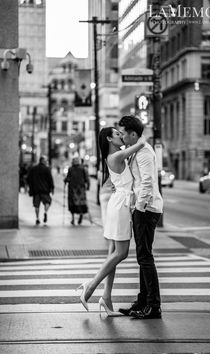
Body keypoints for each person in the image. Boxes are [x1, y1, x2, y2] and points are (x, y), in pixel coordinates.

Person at [77, 127, 145, 315]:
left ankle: (106, 298)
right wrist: (138, 133)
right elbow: (140, 143)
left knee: (113, 255)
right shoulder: (115, 156)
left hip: (118, 204)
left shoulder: (115, 156)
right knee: (121, 254)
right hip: (121, 207)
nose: (121, 136)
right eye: (117, 134)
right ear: (108, 138)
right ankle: (90, 286)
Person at [118, 115, 163, 319]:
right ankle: (143, 301)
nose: (121, 135)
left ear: (133, 134)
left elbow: (147, 183)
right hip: (144, 208)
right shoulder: (137, 151)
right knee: (143, 256)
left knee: (145, 257)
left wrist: (139, 208)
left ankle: (153, 305)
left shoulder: (144, 152)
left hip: (147, 209)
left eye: (123, 133)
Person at [27, 156, 54, 225]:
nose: (46, 162)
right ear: (42, 161)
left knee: (36, 205)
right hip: (45, 190)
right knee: (47, 202)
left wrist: (30, 187)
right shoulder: (47, 169)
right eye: (45, 160)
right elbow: (50, 180)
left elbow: (29, 179)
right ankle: (45, 212)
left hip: (36, 190)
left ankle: (37, 218)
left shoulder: (33, 169)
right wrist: (52, 188)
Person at [64, 157, 90, 225]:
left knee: (72, 203)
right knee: (81, 202)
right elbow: (86, 178)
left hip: (72, 188)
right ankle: (80, 214)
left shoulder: (70, 169)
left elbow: (68, 178)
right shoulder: (82, 168)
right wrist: (87, 185)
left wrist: (65, 180)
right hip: (81, 188)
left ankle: (73, 218)